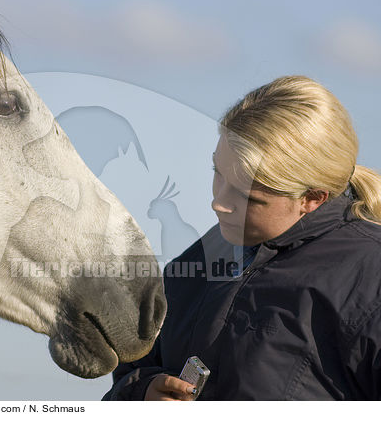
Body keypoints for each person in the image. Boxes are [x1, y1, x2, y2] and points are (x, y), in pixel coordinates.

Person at [102, 75, 381, 400]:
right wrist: (143, 395)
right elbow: (131, 374)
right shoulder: (199, 260)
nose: (218, 202)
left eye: (247, 196)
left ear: (312, 198)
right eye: (217, 174)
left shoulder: (370, 280)